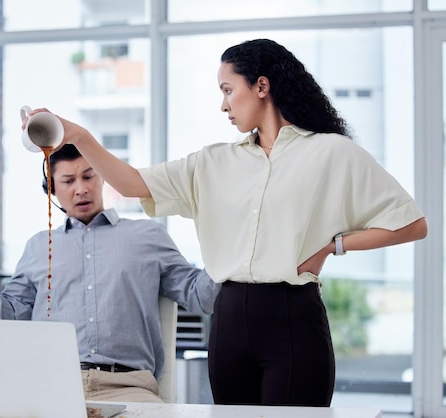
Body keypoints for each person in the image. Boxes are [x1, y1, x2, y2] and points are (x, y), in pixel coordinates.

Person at [29, 38, 428, 407]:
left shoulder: (332, 153)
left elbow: (410, 224)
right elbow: (132, 183)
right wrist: (78, 136)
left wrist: (333, 246)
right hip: (230, 319)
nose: (223, 105)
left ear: (261, 86)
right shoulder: (212, 162)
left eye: (227, 90)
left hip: (294, 318)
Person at [0, 144, 220, 403]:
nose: (80, 189)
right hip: (48, 387)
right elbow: (9, 317)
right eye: (68, 181)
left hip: (129, 388)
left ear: (103, 178)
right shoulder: (39, 246)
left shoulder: (148, 236)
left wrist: (230, 251)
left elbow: (199, 296)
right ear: (51, 189)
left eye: (88, 176)